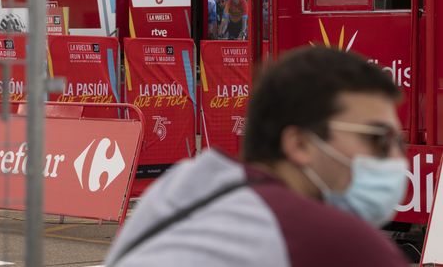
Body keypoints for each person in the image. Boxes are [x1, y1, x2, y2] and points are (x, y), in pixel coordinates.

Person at [105, 47, 410, 267]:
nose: (396, 158)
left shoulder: (181, 188)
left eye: (401, 142)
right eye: (378, 139)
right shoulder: (339, 242)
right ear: (300, 144)